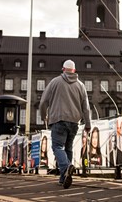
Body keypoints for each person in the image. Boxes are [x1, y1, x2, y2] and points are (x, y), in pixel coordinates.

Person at [40, 59, 91, 189]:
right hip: (74, 122)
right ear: (74, 71)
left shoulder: (55, 82)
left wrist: (43, 116)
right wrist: (88, 124)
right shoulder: (81, 85)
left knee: (57, 147)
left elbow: (43, 102)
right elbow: (86, 107)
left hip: (59, 120)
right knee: (68, 148)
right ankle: (64, 178)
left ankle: (67, 167)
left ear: (63, 69)